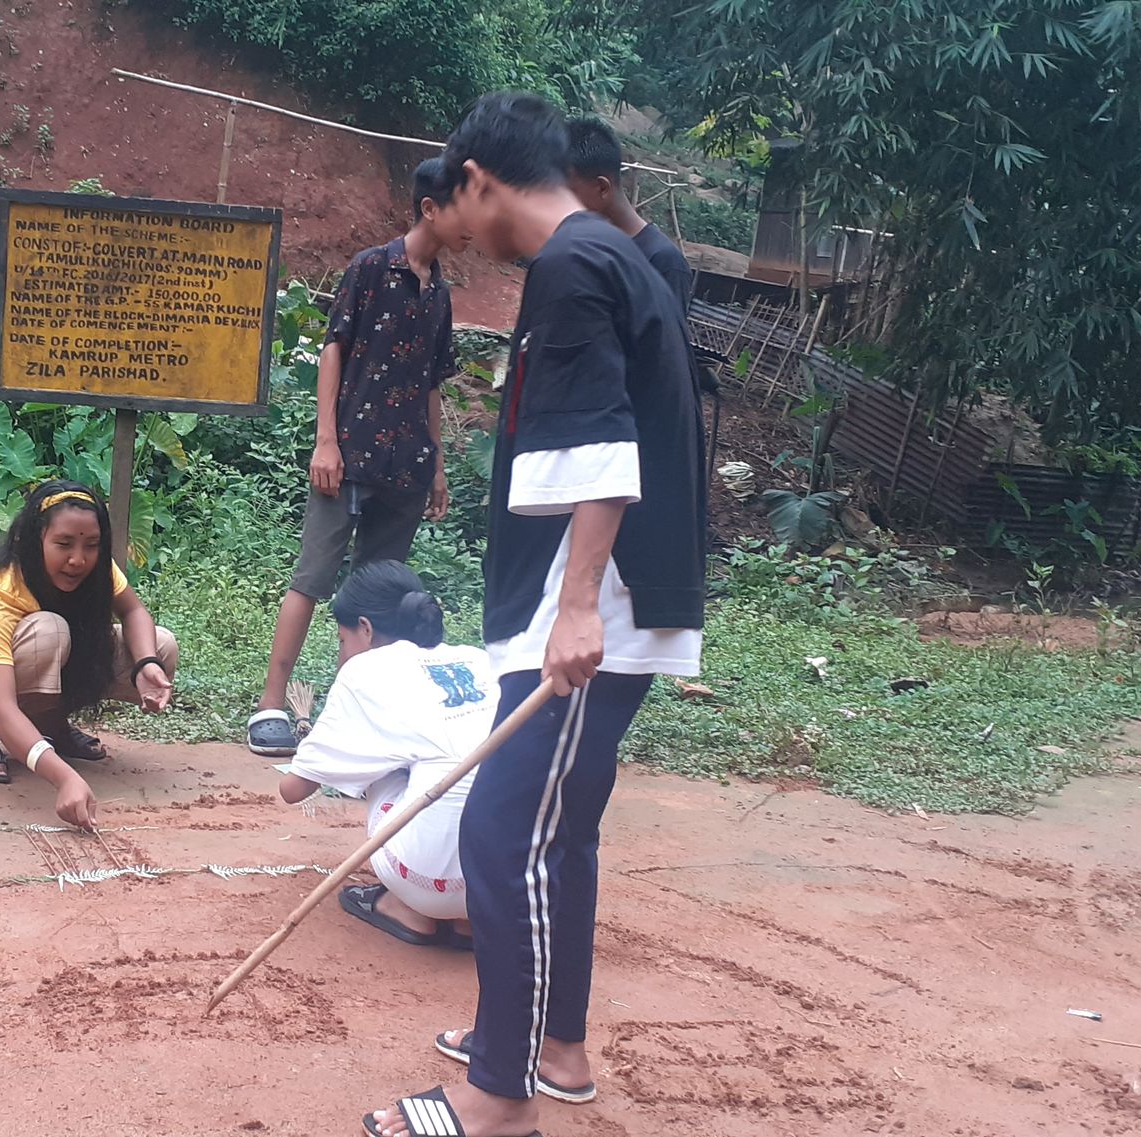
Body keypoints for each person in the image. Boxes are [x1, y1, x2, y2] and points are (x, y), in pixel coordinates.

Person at [366, 93, 705, 1137]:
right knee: (556, 833)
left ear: (478, 177)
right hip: (593, 598)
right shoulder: (611, 255)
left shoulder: (572, 264)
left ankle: (499, 1098)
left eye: (460, 208)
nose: (463, 235)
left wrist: (576, 607)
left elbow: (605, 443)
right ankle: (550, 1048)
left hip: (590, 603)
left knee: (505, 830)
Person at [249, 158, 469, 758]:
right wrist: (327, 440)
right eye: (464, 208)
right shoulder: (370, 268)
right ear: (430, 208)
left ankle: (356, 717)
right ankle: (271, 704)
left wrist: (438, 466)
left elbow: (432, 383)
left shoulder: (440, 292)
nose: (475, 222)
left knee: (379, 599)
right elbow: (333, 351)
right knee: (313, 578)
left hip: (408, 466)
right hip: (349, 455)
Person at [0, 480, 178, 829]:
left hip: (26, 666)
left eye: (92, 545)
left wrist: (146, 664)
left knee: (161, 644)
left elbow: (133, 611)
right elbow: (1, 707)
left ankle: (50, 728)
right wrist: (64, 777)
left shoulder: (96, 569)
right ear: (33, 540)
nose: (78, 559)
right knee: (47, 632)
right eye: (63, 544)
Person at [275, 562, 488, 951]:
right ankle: (467, 923)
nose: (342, 653)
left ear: (366, 628)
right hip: (505, 880)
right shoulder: (477, 658)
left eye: (342, 641)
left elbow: (293, 789)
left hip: (432, 884)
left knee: (386, 768)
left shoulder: (366, 671)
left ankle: (408, 909)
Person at [563, 117, 693, 314]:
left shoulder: (663, 262)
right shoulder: (580, 248)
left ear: (602, 188)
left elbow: (665, 334)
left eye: (566, 193)